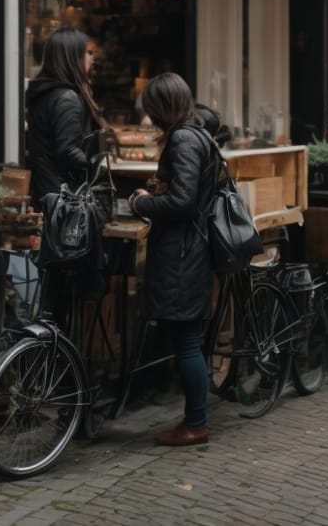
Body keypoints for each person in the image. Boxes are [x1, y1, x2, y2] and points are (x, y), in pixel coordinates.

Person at [128, 73, 218, 447]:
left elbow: (183, 201)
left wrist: (141, 203)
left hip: (183, 254)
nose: (150, 117)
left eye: (152, 108)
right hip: (191, 249)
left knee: (186, 341)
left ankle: (196, 423)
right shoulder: (196, 134)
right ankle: (194, 418)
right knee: (188, 338)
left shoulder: (182, 139)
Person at [25, 29, 106, 206]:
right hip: (62, 195)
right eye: (88, 53)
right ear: (72, 57)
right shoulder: (66, 98)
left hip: (46, 189)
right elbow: (68, 151)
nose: (92, 59)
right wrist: (97, 166)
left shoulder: (46, 92)